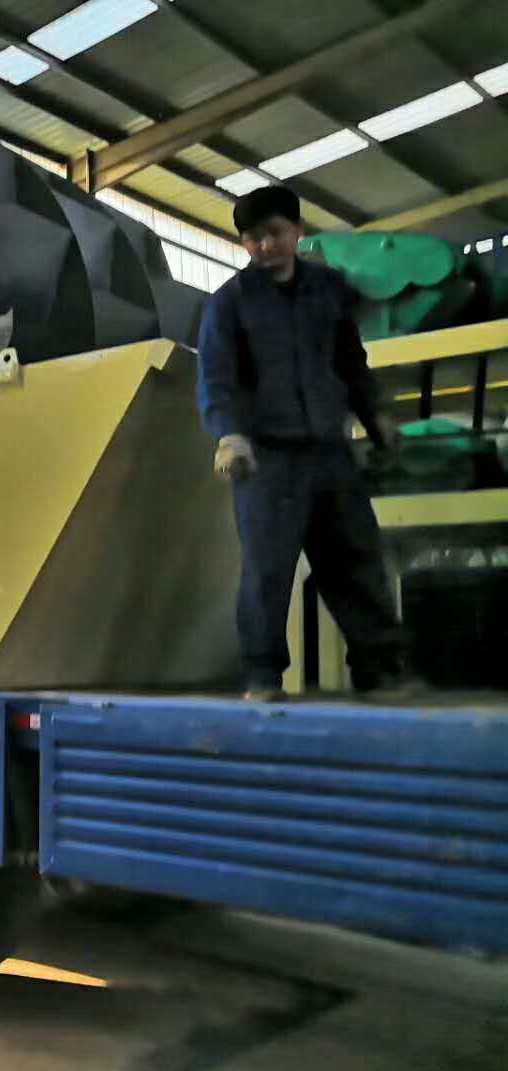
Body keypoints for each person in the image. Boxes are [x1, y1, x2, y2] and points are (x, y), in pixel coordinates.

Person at [197, 184, 405, 702]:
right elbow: (217, 377)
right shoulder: (229, 303)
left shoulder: (327, 292)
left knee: (356, 563)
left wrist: (377, 417)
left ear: (297, 231)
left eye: (274, 233)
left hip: (330, 454)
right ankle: (263, 676)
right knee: (268, 570)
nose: (265, 246)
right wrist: (230, 436)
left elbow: (351, 363)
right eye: (253, 238)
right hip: (267, 460)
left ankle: (380, 673)